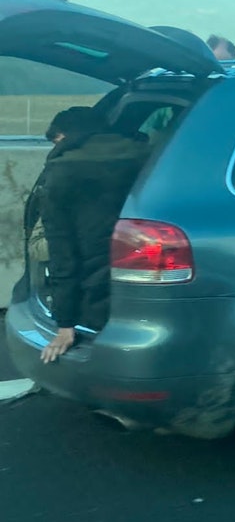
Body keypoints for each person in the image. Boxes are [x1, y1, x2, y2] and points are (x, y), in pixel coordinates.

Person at [34, 107, 150, 363]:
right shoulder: (149, 157)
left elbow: (62, 254)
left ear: (67, 136)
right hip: (145, 280)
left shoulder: (63, 173)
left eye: (56, 141)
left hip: (94, 297)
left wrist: (65, 323)